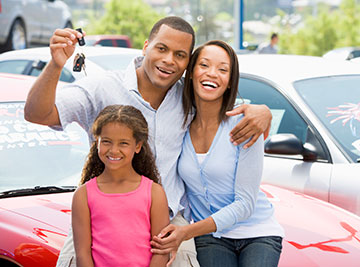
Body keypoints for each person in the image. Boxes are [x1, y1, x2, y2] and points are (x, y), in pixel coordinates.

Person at [24, 16, 272, 267]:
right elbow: (37, 114)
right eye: (161, 49)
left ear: (187, 63)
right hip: (99, 223)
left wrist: (263, 112)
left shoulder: (188, 99)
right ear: (145, 47)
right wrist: (56, 65)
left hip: (169, 229)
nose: (168, 60)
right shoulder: (103, 87)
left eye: (180, 54)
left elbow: (220, 103)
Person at [151, 40, 284, 266]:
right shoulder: (179, 126)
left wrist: (187, 232)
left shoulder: (245, 125)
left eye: (223, 70)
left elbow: (245, 204)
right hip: (211, 237)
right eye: (204, 65)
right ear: (191, 73)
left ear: (230, 82)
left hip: (257, 233)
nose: (212, 74)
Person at [72, 105, 169, 266]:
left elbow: (161, 251)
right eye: (107, 142)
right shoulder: (83, 195)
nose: (114, 150)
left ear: (138, 146)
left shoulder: (154, 193)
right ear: (97, 142)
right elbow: (83, 254)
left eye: (123, 143)